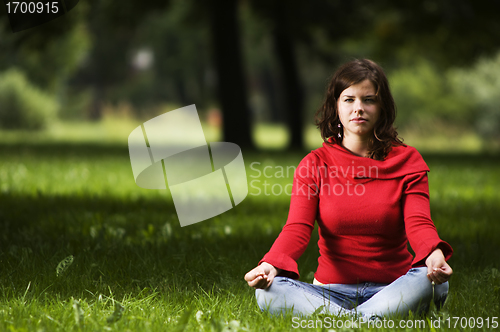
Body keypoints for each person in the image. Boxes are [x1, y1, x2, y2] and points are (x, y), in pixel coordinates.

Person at [244, 59, 453, 319]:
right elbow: (297, 228)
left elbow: (419, 222)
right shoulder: (314, 164)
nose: (359, 108)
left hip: (394, 288)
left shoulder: (408, 162)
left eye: (369, 99)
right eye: (349, 99)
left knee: (433, 281)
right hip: (331, 292)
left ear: (382, 107)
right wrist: (270, 265)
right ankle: (365, 320)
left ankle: (345, 321)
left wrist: (433, 254)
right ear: (335, 106)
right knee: (267, 292)